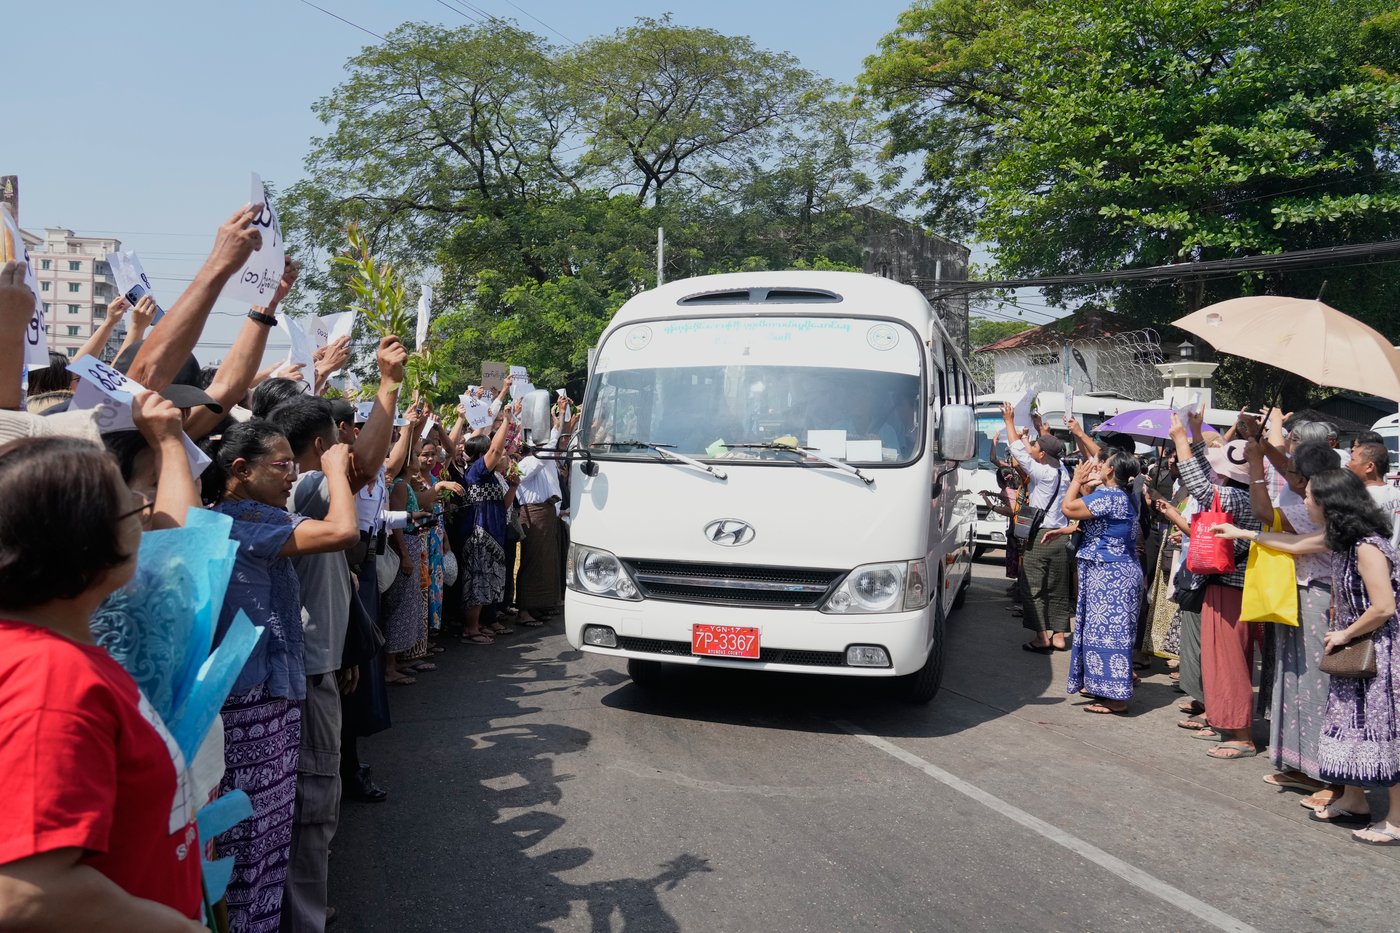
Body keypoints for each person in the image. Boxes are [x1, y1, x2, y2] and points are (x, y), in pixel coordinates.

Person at [0, 436, 205, 932]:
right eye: (128, 502)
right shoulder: (50, 678)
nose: (143, 509)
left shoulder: (57, 651)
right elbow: (23, 894)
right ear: (85, 540)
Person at [201, 420, 359, 933]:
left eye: (296, 463)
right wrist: (334, 468)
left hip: (265, 698)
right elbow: (343, 531)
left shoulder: (253, 515)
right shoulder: (245, 518)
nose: (293, 474)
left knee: (265, 841)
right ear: (240, 471)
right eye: (282, 465)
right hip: (253, 704)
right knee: (253, 845)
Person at [1214, 469, 1400, 845]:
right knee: (1352, 724)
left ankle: (1395, 821)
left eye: (1311, 496)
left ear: (1331, 504)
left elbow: (1383, 606)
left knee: (1384, 731)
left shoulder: (1367, 546)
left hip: (1377, 648)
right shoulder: (1344, 538)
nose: (1305, 501)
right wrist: (1244, 534)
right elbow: (1294, 545)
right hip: (1355, 645)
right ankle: (1354, 798)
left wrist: (1346, 632)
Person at [1170, 408, 1263, 760]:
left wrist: (1181, 438)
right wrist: (1194, 433)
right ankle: (1228, 723)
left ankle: (1241, 735)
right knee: (1224, 660)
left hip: (1229, 589)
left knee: (1229, 662)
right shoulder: (1248, 495)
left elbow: (1199, 485)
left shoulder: (1238, 498)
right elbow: (1205, 478)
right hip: (1230, 587)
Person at [1059, 450, 1143, 713]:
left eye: (1103, 463)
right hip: (1110, 574)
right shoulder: (1118, 497)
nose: (1099, 465)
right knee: (1099, 633)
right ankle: (1100, 687)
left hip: (1111, 576)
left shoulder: (1111, 496)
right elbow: (1088, 514)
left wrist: (1075, 480)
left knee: (1111, 636)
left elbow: (1068, 508)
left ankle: (1116, 697)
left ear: (1110, 471)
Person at [1001, 403, 1073, 651]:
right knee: (1058, 587)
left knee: (1032, 586)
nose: (1032, 448)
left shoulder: (1041, 472)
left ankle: (1041, 637)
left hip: (1040, 536)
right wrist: (1043, 431)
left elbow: (1016, 449)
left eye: (1036, 446)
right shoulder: (1063, 471)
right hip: (1061, 537)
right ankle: (1060, 635)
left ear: (1042, 455)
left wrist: (1009, 421)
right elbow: (1033, 448)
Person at [450, 413, 516, 644]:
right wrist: (506, 421)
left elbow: (502, 504)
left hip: (492, 531)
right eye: (491, 452)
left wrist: (514, 486)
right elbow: (496, 451)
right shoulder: (477, 470)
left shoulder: (491, 477)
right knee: (477, 580)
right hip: (478, 532)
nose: (501, 455)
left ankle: (479, 623)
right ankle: (470, 629)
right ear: (482, 454)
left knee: (487, 579)